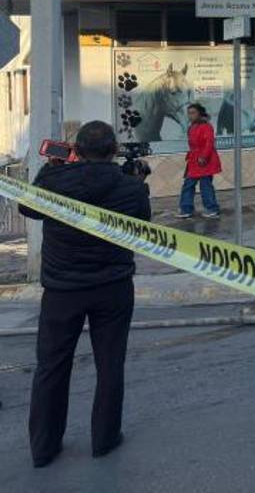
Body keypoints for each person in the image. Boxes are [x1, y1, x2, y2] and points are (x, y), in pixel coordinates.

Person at [19, 120, 152, 467]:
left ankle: (44, 448)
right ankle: (104, 439)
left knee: (51, 366)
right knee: (110, 364)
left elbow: (26, 207)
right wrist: (138, 184)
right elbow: (143, 228)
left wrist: (50, 169)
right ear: (114, 151)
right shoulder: (129, 187)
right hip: (113, 288)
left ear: (76, 150)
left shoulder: (55, 181)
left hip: (62, 291)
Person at [178, 103, 221, 219]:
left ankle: (212, 208)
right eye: (189, 113)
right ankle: (186, 209)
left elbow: (209, 143)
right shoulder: (192, 126)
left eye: (193, 113)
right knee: (188, 184)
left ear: (199, 113)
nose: (190, 115)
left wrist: (203, 156)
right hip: (194, 160)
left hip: (204, 161)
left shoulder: (206, 126)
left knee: (205, 185)